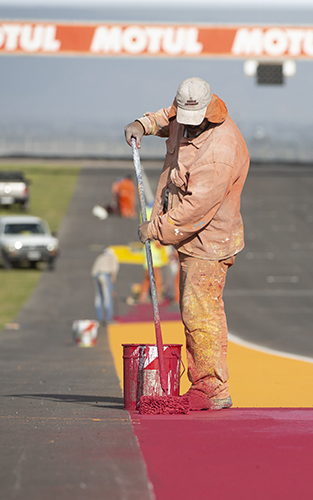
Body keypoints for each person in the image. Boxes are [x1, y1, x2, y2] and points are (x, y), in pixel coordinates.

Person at [124, 77, 250, 411]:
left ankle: (211, 388)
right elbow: (168, 118)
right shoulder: (184, 115)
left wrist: (156, 229)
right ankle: (210, 382)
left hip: (209, 240)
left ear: (209, 111)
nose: (186, 126)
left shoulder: (220, 151)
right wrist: (144, 124)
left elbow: (197, 209)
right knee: (198, 308)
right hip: (190, 236)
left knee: (200, 312)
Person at [91, 247, 119, 324]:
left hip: (96, 275)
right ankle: (109, 319)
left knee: (98, 296)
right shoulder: (112, 257)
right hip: (105, 275)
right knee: (108, 297)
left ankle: (99, 318)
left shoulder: (100, 257)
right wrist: (113, 279)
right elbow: (114, 269)